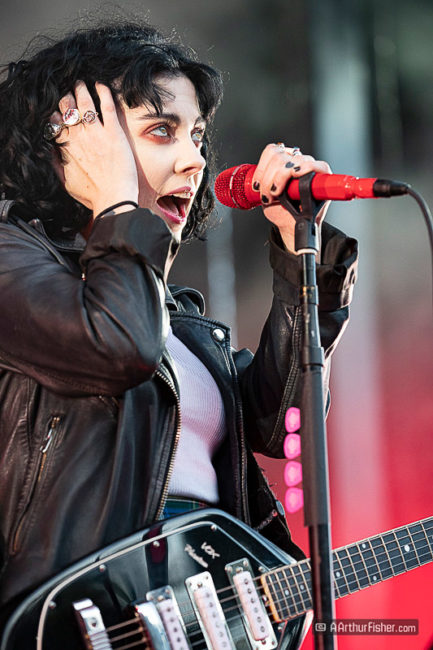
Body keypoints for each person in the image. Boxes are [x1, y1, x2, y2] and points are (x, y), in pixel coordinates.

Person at [0, 19, 357, 636]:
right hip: (77, 622)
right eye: (161, 130)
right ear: (74, 142)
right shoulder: (12, 259)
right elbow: (118, 347)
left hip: (195, 621)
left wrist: (300, 252)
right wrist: (116, 204)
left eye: (196, 134)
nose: (195, 159)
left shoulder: (177, 318)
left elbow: (285, 425)